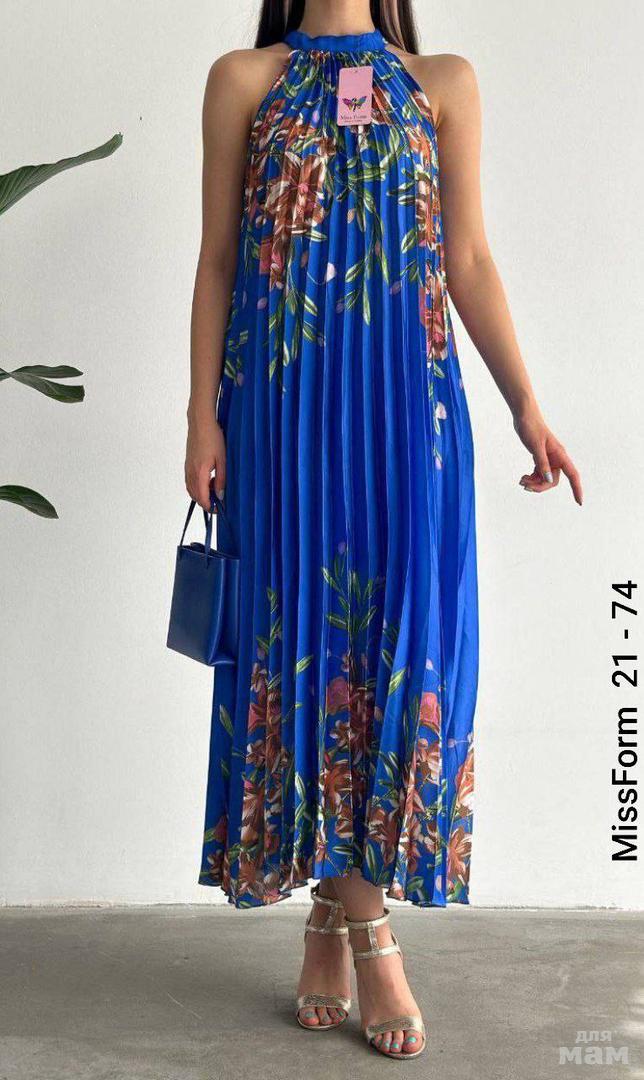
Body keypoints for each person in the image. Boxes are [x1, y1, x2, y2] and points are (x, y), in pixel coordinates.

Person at [184, 0, 583, 1061]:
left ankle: (334, 912)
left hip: (411, 415)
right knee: (304, 648)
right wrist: (200, 417)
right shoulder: (244, 80)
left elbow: (469, 260)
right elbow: (218, 260)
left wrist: (526, 405)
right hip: (283, 414)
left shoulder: (439, 82)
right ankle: (368, 931)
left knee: (403, 650)